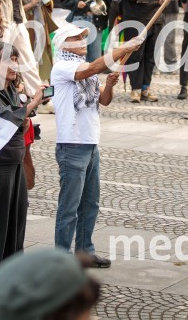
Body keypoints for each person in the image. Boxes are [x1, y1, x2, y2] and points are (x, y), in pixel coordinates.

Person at [51, 24, 141, 265]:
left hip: (90, 144)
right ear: (64, 43)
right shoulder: (63, 67)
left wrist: (110, 85)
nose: (82, 41)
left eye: (83, 37)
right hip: (71, 145)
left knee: (90, 203)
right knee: (69, 207)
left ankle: (84, 252)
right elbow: (94, 67)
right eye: (77, 38)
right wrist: (125, 48)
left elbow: (104, 100)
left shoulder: (85, 71)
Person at [0, 42, 45, 302]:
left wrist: (25, 120)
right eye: (7, 60)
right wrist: (31, 104)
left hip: (13, 165)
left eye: (15, 59)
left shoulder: (12, 91)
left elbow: (17, 126)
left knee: (15, 223)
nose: (14, 65)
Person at [120, 0, 166, 103]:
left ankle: (146, 87)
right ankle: (135, 89)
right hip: (135, 20)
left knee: (150, 56)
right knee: (135, 56)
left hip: (156, 20)